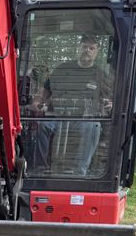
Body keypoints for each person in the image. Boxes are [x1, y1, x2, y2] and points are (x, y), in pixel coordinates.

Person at [46, 34, 114, 175]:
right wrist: (36, 102)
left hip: (83, 119)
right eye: (84, 47)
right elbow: (45, 90)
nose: (87, 50)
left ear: (96, 52)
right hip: (58, 116)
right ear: (79, 48)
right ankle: (40, 167)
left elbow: (109, 98)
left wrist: (110, 104)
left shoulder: (100, 75)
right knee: (41, 126)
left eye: (91, 48)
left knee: (93, 126)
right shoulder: (62, 69)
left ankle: (79, 172)